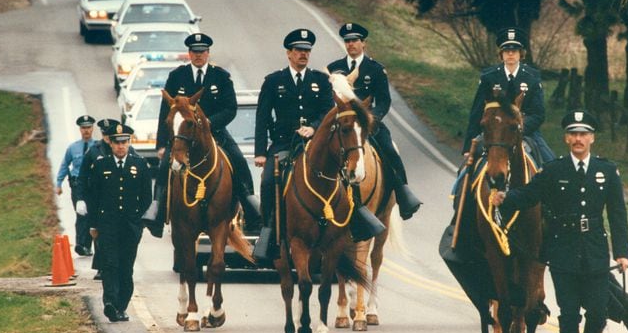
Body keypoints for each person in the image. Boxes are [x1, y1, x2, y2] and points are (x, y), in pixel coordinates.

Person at [491, 109, 628, 333]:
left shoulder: (607, 171)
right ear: (566, 138)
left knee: (597, 314)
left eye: (583, 134)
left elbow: (617, 214)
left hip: (594, 250)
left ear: (591, 138)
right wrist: (504, 197)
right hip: (563, 251)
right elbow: (528, 195)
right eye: (573, 134)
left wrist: (622, 253)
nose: (578, 139)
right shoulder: (554, 170)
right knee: (568, 316)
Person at [144, 32, 261, 236]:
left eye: (202, 52)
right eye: (195, 52)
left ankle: (250, 209)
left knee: (239, 161)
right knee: (164, 168)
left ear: (208, 53)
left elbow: (230, 108)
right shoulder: (177, 76)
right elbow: (167, 113)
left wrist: (209, 122)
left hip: (214, 132)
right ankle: (157, 210)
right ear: (189, 54)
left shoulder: (221, 76)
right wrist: (162, 145)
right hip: (184, 135)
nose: (199, 55)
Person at [252, 28, 334, 258]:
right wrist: (261, 152)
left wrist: (314, 127)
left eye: (307, 51)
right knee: (268, 182)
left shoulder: (321, 80)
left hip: (314, 144)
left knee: (343, 177)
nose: (303, 54)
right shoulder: (273, 81)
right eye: (298, 50)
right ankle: (268, 232)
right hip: (283, 145)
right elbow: (263, 117)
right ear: (289, 53)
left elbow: (329, 111)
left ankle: (349, 227)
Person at [327, 22, 421, 221]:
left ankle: (403, 195)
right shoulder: (335, 68)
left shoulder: (376, 69)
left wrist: (372, 119)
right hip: (343, 124)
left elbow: (384, 100)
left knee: (390, 151)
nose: (351, 44)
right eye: (347, 41)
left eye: (355, 41)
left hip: (369, 123)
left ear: (363, 43)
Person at [86, 123, 152, 322]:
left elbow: (146, 199)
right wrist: (93, 225)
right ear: (111, 143)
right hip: (108, 225)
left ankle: (121, 305)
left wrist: (140, 225)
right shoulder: (100, 165)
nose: (121, 146)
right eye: (117, 143)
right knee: (110, 265)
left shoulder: (139, 165)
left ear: (129, 143)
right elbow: (93, 198)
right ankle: (110, 303)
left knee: (126, 267)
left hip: (130, 227)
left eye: (124, 142)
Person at [463, 27, 555, 164]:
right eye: (506, 51)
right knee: (467, 168)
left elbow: (538, 114)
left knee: (550, 163)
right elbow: (477, 112)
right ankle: (459, 186)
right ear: (501, 53)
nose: (510, 54)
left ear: (521, 53)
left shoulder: (533, 77)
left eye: (514, 51)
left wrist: (519, 127)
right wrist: (468, 145)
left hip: (526, 131)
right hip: (493, 130)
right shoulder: (489, 77)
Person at [56, 115, 96, 256]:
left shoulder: (97, 147)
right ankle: (80, 244)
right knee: (81, 214)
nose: (86, 131)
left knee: (92, 215)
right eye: (83, 128)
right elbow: (64, 165)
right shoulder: (73, 148)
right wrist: (59, 183)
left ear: (93, 128)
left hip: (93, 186)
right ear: (80, 129)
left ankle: (88, 245)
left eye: (88, 128)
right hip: (78, 185)